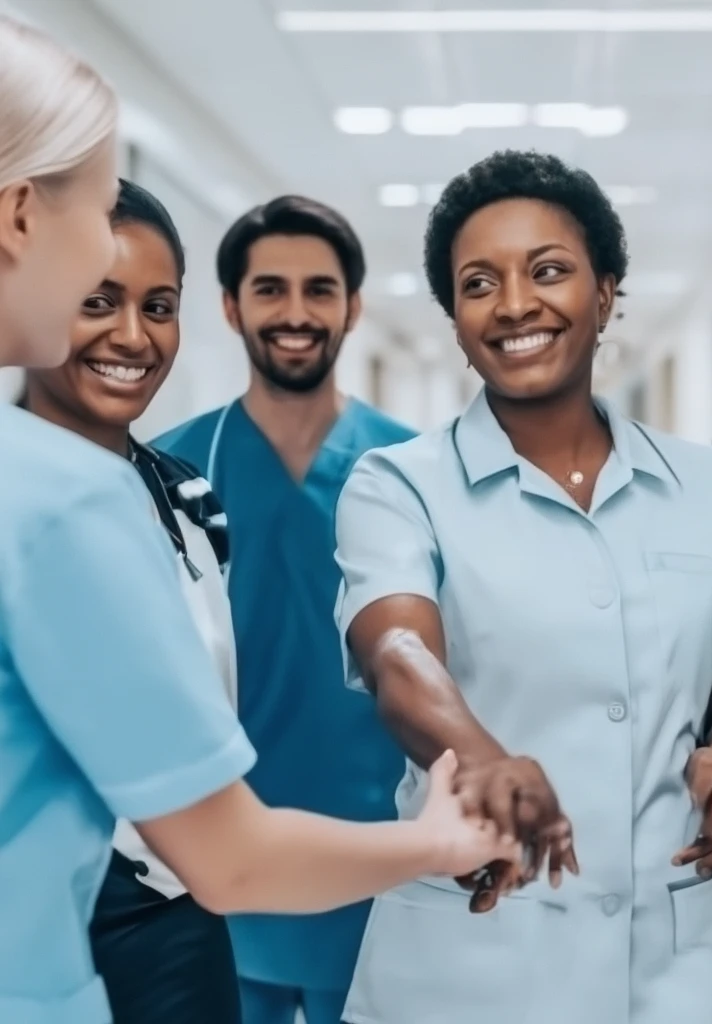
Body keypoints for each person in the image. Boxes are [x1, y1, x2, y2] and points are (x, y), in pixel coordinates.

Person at [0, 16, 518, 1024]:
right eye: (103, 209)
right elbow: (227, 857)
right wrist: (450, 839)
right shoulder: (61, 497)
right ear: (22, 212)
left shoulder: (180, 488)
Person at [333, 149, 712, 1024]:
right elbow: (397, 653)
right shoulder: (398, 484)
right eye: (479, 283)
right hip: (474, 959)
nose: (514, 305)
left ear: (607, 291)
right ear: (454, 315)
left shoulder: (702, 483)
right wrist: (483, 755)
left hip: (683, 959)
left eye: (548, 271)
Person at [156, 195, 415, 1024]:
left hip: (380, 866)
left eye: (319, 289)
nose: (296, 313)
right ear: (231, 307)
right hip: (221, 870)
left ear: (353, 307)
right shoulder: (172, 471)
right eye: (270, 290)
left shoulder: (411, 471)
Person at [20, 178, 243, 1022]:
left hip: (179, 921)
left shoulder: (190, 502)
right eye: (96, 300)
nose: (132, 335)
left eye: (159, 305)